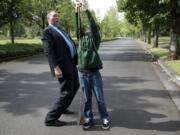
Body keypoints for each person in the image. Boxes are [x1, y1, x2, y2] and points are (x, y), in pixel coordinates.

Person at [41, 10, 79, 127]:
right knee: (67, 92)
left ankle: (63, 107)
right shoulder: (47, 31)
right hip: (62, 66)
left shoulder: (60, 29)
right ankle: (51, 118)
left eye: (58, 16)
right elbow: (48, 51)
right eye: (54, 16)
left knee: (75, 86)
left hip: (71, 64)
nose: (56, 17)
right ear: (48, 19)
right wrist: (56, 67)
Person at [75, 3, 110, 130]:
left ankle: (104, 117)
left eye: (91, 28)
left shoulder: (95, 39)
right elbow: (77, 26)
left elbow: (93, 25)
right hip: (82, 73)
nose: (88, 29)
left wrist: (86, 10)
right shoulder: (81, 38)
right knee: (86, 99)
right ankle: (88, 117)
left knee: (99, 98)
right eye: (87, 28)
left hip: (94, 73)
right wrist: (76, 12)